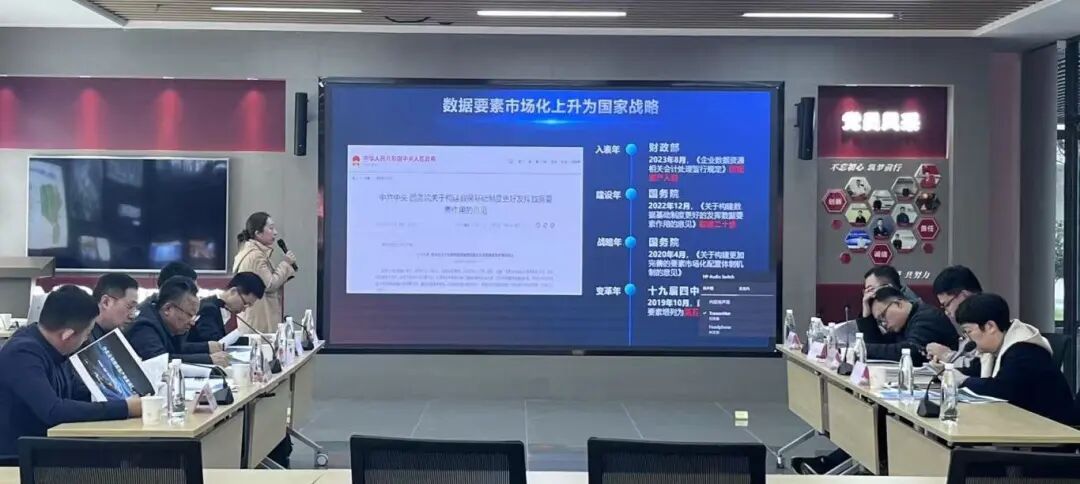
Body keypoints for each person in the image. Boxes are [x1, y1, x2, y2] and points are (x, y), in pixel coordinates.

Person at [0, 286, 140, 460]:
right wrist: (126, 408)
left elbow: (77, 391)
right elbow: (54, 411)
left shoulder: (54, 348)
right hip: (18, 459)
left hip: (46, 448)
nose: (86, 340)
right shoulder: (22, 354)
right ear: (67, 335)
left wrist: (121, 394)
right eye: (87, 334)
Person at [949, 293, 1075, 425]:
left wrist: (963, 380)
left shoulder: (1024, 351)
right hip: (1023, 422)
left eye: (968, 331)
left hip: (1050, 427)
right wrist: (946, 372)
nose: (968, 338)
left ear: (990, 326)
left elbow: (1001, 390)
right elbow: (974, 371)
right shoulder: (995, 349)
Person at [126, 276, 228, 366]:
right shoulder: (144, 326)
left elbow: (179, 349)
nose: (192, 322)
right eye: (189, 315)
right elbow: (160, 362)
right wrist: (208, 359)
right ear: (168, 309)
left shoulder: (167, 323)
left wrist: (207, 347)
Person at [859, 286, 959, 365]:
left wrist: (863, 348)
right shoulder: (902, 323)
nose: (883, 324)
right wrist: (867, 317)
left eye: (883, 316)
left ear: (898, 304)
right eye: (879, 321)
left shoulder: (927, 316)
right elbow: (880, 347)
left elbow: (912, 352)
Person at [233, 212, 296, 333]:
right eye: (271, 228)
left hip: (257, 319)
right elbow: (269, 285)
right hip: (259, 322)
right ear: (258, 233)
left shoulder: (252, 252)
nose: (275, 232)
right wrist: (286, 264)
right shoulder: (255, 256)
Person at [926, 265, 983, 363]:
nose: (946, 312)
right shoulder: (969, 324)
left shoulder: (986, 321)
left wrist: (947, 355)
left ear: (964, 295)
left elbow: (980, 366)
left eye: (947, 305)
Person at [190, 272, 266, 343]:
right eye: (245, 303)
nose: (244, 309)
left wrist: (251, 340)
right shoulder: (209, 308)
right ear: (233, 291)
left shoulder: (219, 306)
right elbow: (213, 342)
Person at [88, 273, 140, 343]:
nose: (133, 316)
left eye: (135, 308)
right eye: (129, 306)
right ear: (106, 302)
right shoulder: (80, 339)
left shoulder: (120, 338)